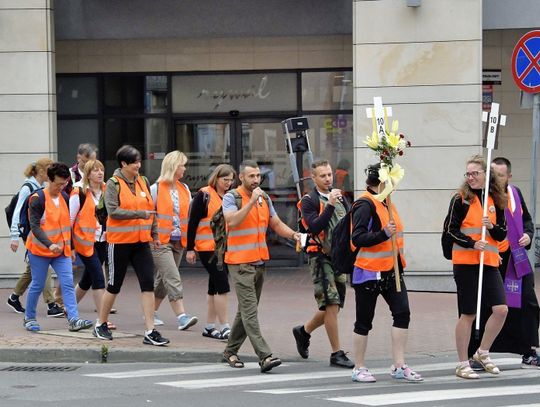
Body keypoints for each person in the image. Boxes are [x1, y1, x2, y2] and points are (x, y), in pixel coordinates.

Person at [222, 160, 301, 373]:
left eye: (258, 176)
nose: (256, 180)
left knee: (246, 311)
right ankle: (265, 356)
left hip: (258, 262)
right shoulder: (232, 197)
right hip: (239, 263)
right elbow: (232, 221)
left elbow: (275, 223)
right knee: (250, 313)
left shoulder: (263, 197)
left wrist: (293, 234)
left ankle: (230, 351)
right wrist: (249, 203)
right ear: (241, 177)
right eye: (251, 176)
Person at [349, 163, 423, 383]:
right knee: (364, 321)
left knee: (402, 313)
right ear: (382, 182)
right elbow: (357, 238)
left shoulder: (387, 202)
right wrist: (383, 234)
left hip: (392, 270)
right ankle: (359, 367)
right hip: (369, 273)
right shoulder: (364, 204)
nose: (395, 186)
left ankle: (399, 365)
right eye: (392, 182)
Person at [92, 145, 169, 346]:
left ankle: (150, 330)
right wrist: (138, 214)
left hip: (141, 242)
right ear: (123, 164)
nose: (138, 165)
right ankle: (100, 324)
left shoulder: (143, 181)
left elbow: (150, 210)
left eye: (139, 161)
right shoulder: (113, 184)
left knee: (147, 284)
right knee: (114, 285)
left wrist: (154, 234)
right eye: (134, 162)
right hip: (119, 243)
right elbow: (113, 211)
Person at [468, 157, 539, 368]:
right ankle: (477, 353)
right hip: (493, 259)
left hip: (516, 259)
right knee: (486, 307)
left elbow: (527, 220)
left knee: (527, 304)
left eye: (500, 175)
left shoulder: (515, 193)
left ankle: (528, 350)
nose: (496, 179)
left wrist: (528, 234)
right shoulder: (484, 197)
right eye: (493, 174)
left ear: (508, 176)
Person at [449, 155, 508, 379]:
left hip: (489, 263)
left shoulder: (496, 199)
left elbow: (502, 232)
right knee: (469, 313)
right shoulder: (461, 199)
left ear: (486, 175)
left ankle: (482, 353)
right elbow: (450, 230)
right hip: (466, 263)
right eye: (468, 174)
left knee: (501, 310)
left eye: (476, 173)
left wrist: (491, 226)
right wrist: (472, 243)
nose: (471, 177)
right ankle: (462, 363)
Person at [292, 160, 354, 368]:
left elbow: (348, 226)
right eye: (323, 176)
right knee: (331, 304)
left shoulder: (340, 197)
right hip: (319, 256)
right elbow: (314, 226)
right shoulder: (309, 200)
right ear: (314, 178)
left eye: (329, 175)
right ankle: (336, 353)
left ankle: (303, 331)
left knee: (333, 309)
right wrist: (329, 205)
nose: (328, 179)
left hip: (339, 258)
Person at [23, 162, 93, 332]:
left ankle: (74, 319)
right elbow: (35, 226)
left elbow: (68, 226)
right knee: (38, 285)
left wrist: (73, 247)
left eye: (64, 184)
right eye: (57, 184)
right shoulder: (37, 199)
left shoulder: (65, 197)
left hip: (61, 251)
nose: (61, 187)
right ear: (49, 179)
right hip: (39, 251)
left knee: (68, 283)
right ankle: (29, 318)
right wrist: (50, 244)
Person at [7, 158, 64, 318]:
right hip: (31, 233)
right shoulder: (28, 188)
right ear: (41, 172)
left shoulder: (40, 187)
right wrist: (14, 237)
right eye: (50, 170)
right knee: (43, 265)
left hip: (39, 232)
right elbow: (18, 212)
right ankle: (51, 304)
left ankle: (14, 297)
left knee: (33, 269)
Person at [186, 164, 235, 340]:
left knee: (214, 286)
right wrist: (190, 248)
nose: (228, 183)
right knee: (222, 286)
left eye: (230, 180)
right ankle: (225, 326)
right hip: (207, 248)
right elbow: (192, 223)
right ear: (216, 178)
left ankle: (209, 326)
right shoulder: (204, 194)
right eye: (225, 180)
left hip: (223, 247)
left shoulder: (230, 196)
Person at [150, 151, 198, 330]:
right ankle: (182, 316)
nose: (184, 169)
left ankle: (151, 311)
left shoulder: (184, 189)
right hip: (159, 241)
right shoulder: (155, 189)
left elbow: (189, 215)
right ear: (173, 167)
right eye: (182, 165)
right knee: (172, 277)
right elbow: (150, 216)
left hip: (179, 241)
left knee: (163, 279)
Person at [70, 159, 115, 329]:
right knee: (98, 277)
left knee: (87, 279)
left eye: (101, 169)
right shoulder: (79, 192)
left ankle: (69, 307)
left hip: (103, 239)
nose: (100, 173)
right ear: (88, 174)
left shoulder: (106, 189)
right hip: (85, 242)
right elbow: (70, 220)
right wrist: (71, 246)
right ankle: (102, 319)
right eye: (95, 170)